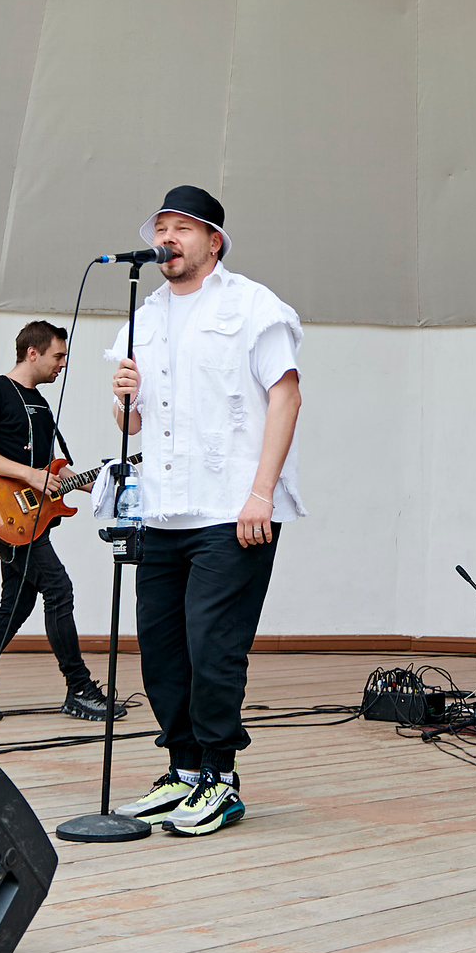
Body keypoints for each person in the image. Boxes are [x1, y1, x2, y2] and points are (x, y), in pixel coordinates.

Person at [104, 185, 302, 838]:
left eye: (181, 227)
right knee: (161, 649)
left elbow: (286, 397)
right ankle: (183, 769)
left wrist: (262, 493)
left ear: (213, 241)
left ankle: (221, 776)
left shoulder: (252, 305)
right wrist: (123, 400)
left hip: (232, 509)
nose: (167, 238)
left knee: (213, 646)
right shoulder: (145, 315)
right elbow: (132, 423)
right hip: (160, 510)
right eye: (160, 228)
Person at [0, 320, 123, 724]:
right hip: (5, 515)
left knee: (16, 606)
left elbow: (50, 470)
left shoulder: (40, 403)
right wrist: (30, 475)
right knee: (59, 588)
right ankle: (79, 689)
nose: (63, 364)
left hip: (33, 518)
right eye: (58, 355)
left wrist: (100, 483)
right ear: (32, 352)